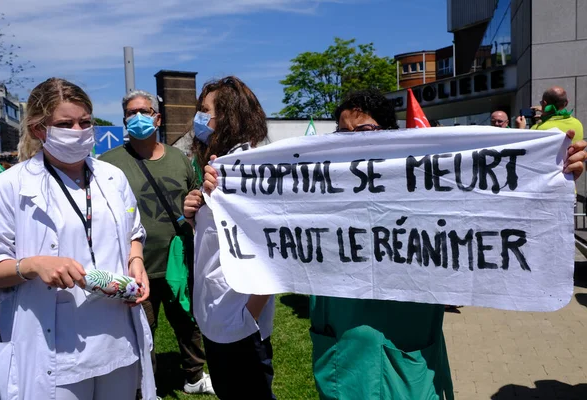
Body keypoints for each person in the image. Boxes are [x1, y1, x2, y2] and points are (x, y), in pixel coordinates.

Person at [202, 87, 587, 400]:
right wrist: (218, 194)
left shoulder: (424, 188)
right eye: (342, 133)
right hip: (344, 354)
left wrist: (552, 172)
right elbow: (264, 214)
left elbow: (489, 210)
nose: (352, 141)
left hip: (410, 350)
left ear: (390, 137)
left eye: (364, 131)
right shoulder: (315, 192)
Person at [0, 78, 156, 399]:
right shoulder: (8, 187)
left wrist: (136, 261)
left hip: (116, 339)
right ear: (39, 129)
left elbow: (133, 231)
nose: (78, 131)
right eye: (65, 124)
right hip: (54, 349)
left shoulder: (112, 177)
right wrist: (33, 265)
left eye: (85, 122)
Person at [98, 90, 212, 395]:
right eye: (131, 113)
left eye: (144, 112)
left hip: (179, 264)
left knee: (189, 325)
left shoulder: (179, 159)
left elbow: (197, 200)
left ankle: (195, 377)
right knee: (142, 332)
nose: (137, 118)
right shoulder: (108, 164)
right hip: (136, 268)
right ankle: (145, 386)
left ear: (157, 118)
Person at [183, 76, 275, 399]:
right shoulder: (216, 168)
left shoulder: (249, 171)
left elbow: (272, 247)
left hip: (239, 322)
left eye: (205, 110)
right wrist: (196, 211)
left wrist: (248, 315)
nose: (198, 118)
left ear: (229, 117)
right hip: (215, 318)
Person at [518, 86, 584, 143]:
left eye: (541, 103)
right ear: (566, 103)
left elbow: (523, 148)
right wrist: (544, 117)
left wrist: (521, 129)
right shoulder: (577, 124)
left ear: (544, 103)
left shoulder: (537, 129)